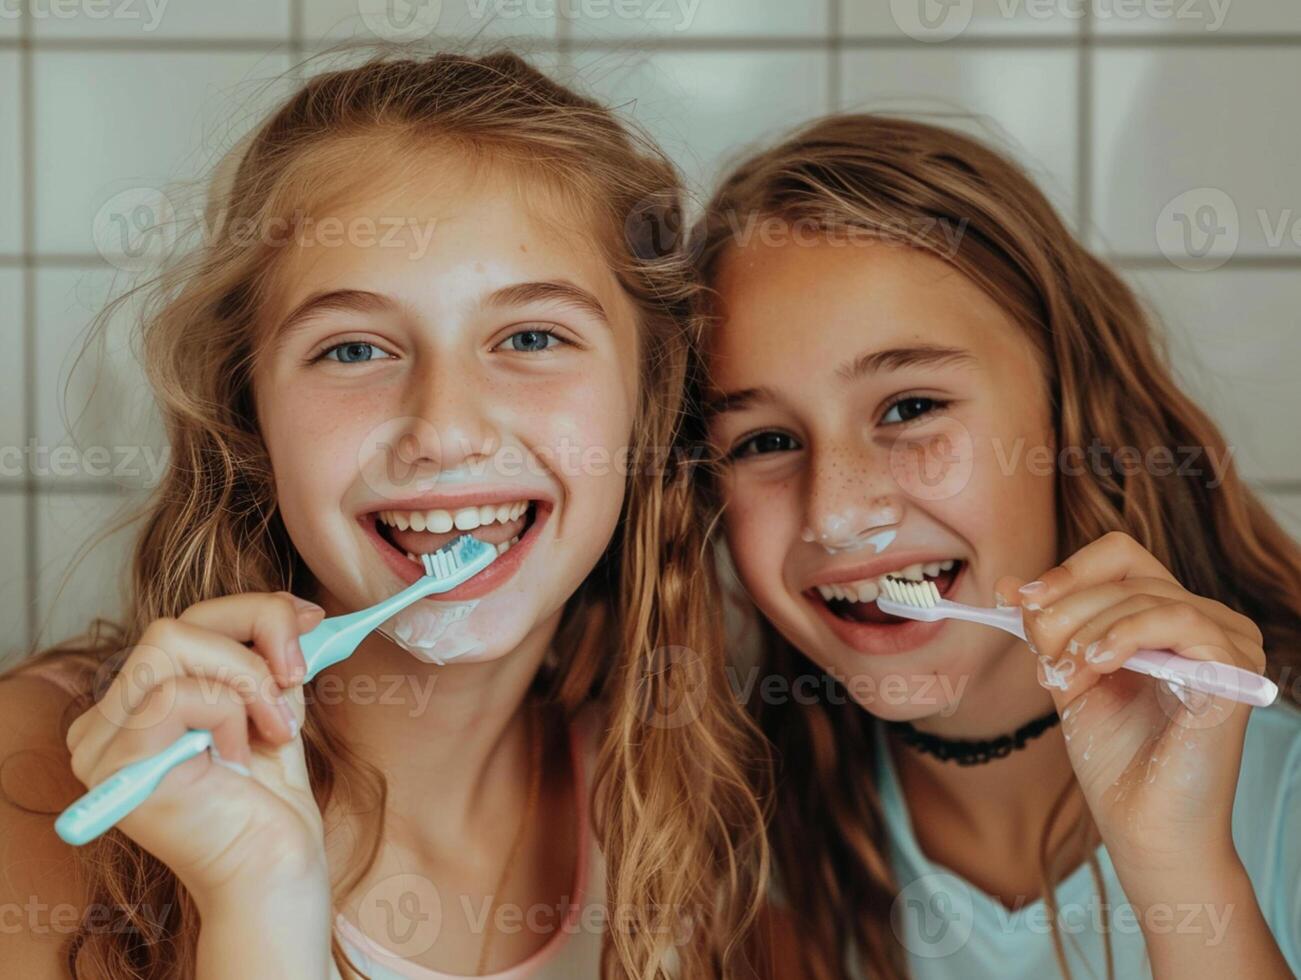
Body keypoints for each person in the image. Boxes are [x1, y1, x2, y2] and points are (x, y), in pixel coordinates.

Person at [0, 50, 767, 979]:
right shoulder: (37, 775)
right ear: (251, 418)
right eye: (354, 348)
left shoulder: (691, 808)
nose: (443, 431)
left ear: (647, 401)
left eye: (531, 337)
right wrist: (256, 895)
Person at [690, 113, 1301, 979]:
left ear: (1070, 414)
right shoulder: (729, 854)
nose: (834, 513)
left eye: (908, 409)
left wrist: (1177, 873)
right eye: (762, 443)